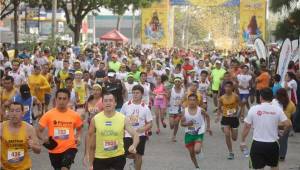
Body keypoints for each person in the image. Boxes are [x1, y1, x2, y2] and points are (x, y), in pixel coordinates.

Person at [85, 92, 139, 170]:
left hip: (118, 157)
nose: (108, 103)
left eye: (110, 100)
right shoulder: (95, 119)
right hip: (100, 157)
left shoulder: (123, 118)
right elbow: (90, 139)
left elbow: (135, 135)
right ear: (102, 103)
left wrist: (134, 145)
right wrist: (89, 159)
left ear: (115, 103)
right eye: (105, 101)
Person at [241, 88, 292, 170]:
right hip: (272, 144)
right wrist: (282, 133)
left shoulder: (253, 109)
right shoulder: (277, 109)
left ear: (260, 97)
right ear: (272, 98)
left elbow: (247, 126)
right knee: (274, 166)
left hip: (258, 144)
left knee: (258, 167)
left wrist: (243, 141)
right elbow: (288, 124)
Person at [37, 88, 83, 170]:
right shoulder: (48, 114)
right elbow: (38, 131)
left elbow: (79, 128)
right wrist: (43, 138)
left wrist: (78, 137)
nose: (62, 101)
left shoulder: (75, 115)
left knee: (64, 168)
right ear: (56, 99)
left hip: (70, 147)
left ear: (68, 100)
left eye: (64, 99)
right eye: (59, 98)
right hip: (54, 149)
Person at [0, 102, 41, 170]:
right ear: (8, 113)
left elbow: (38, 150)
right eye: (12, 110)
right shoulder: (1, 127)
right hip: (5, 168)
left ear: (23, 113)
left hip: (24, 168)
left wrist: (33, 146)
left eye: (17, 111)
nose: (14, 113)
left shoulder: (29, 128)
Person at [121, 85, 153, 170]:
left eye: (137, 93)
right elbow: (120, 118)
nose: (135, 95)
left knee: (139, 155)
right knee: (128, 153)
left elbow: (150, 123)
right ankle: (132, 162)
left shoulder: (145, 108)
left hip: (140, 134)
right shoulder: (126, 105)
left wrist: (143, 128)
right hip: (128, 134)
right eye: (133, 93)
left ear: (142, 94)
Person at [181, 93, 212, 170]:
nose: (192, 102)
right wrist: (186, 123)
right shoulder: (184, 111)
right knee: (192, 153)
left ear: (197, 101)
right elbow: (182, 124)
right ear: (187, 101)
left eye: (194, 100)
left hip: (199, 133)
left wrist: (208, 127)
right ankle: (197, 167)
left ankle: (200, 149)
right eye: (190, 100)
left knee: (197, 150)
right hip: (189, 134)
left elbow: (208, 116)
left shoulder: (200, 110)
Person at [215, 81, 241, 160]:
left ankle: (229, 130)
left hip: (234, 118)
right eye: (226, 87)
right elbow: (219, 108)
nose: (228, 88)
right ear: (224, 88)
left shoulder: (236, 96)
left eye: (229, 87)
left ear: (232, 88)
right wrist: (218, 116)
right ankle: (231, 152)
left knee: (234, 138)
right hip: (225, 117)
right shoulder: (222, 98)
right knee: (227, 134)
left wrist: (237, 115)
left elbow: (240, 107)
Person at [272, 88, 296, 161]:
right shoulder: (291, 104)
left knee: (275, 140)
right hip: (286, 125)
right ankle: (282, 156)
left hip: (277, 124)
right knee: (284, 141)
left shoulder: (274, 102)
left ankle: (274, 154)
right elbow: (293, 114)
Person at [168, 77, 185, 142]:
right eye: (176, 81)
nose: (177, 83)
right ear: (174, 83)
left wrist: (182, 102)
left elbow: (184, 99)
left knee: (177, 123)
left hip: (179, 110)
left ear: (181, 82)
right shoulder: (171, 90)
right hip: (172, 109)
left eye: (178, 81)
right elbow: (167, 97)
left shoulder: (183, 90)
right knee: (172, 125)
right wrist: (167, 102)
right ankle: (173, 129)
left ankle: (174, 136)